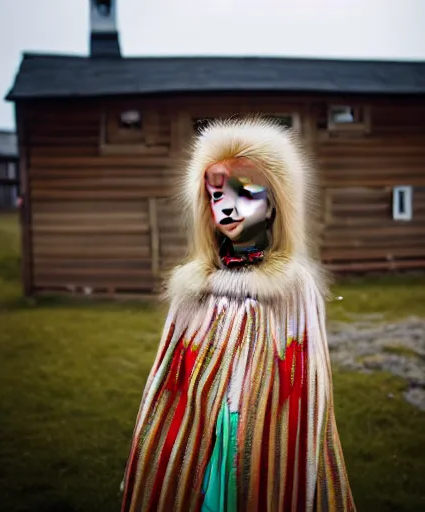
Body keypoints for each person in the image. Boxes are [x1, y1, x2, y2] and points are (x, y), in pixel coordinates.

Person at [121, 117, 355, 512]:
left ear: (274, 203)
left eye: (243, 193)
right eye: (215, 196)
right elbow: (169, 377)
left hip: (265, 429)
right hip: (203, 430)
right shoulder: (195, 286)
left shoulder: (292, 287)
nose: (226, 205)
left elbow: (307, 385)